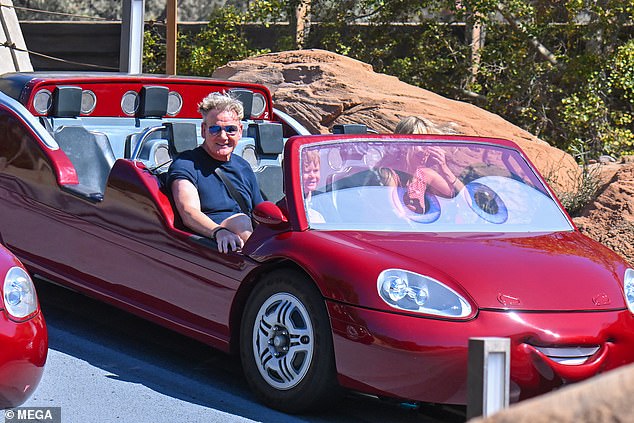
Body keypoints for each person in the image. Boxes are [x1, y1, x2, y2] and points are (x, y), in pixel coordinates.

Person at [168, 92, 263, 253]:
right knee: (241, 222)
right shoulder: (186, 164)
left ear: (240, 131)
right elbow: (188, 211)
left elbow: (262, 213)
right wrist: (219, 232)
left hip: (247, 248)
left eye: (231, 129)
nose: (223, 136)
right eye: (215, 129)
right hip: (210, 249)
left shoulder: (243, 167)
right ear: (204, 130)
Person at [382, 116, 464, 213]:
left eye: (429, 143)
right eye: (420, 143)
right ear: (403, 145)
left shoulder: (424, 175)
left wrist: (444, 168)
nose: (426, 149)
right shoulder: (389, 175)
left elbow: (464, 199)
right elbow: (395, 213)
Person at [302, 149, 325, 223]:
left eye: (315, 171)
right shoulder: (287, 205)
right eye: (306, 171)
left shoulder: (325, 200)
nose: (312, 176)